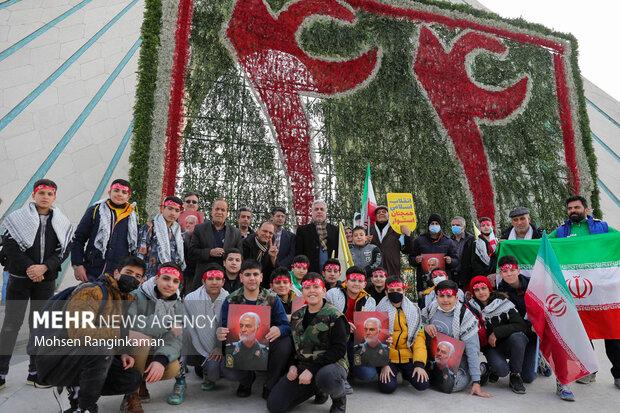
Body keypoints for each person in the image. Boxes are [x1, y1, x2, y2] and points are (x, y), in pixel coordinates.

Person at [35, 256, 147, 412]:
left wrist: (122, 352)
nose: (132, 278)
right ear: (116, 273)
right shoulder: (93, 291)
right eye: (128, 272)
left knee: (130, 378)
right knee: (101, 349)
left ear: (142, 281)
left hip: (81, 357)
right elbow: (79, 331)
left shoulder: (123, 300)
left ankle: (75, 390)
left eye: (138, 276)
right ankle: (85, 407)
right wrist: (125, 334)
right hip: (55, 359)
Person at [0, 179, 73, 388]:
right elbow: (10, 246)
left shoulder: (61, 221)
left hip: (45, 281)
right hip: (20, 280)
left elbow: (64, 250)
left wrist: (44, 268)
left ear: (55, 197)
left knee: (40, 327)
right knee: (11, 325)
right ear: (34, 195)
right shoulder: (17, 218)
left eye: (50, 194)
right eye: (41, 192)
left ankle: (35, 372)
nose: (45, 197)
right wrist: (31, 269)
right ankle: (1, 373)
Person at [549, 195, 619, 390]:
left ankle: (619, 374)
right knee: (582, 333)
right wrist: (510, 246)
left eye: (577, 207)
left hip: (604, 293)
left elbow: (617, 241)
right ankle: (589, 372)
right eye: (570, 208)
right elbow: (543, 245)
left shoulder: (602, 228)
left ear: (586, 209)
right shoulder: (562, 231)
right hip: (576, 292)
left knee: (613, 331)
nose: (573, 210)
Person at [266, 273, 349, 413]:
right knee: (275, 406)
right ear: (301, 292)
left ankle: (339, 398)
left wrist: (312, 370)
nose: (311, 291)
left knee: (326, 377)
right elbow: (294, 345)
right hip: (304, 365)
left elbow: (339, 350)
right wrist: (292, 365)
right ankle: (317, 388)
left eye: (316, 286)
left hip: (331, 365)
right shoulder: (297, 316)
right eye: (307, 287)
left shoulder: (335, 316)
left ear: (323, 291)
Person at [495, 256, 569, 398]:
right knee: (528, 377)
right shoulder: (500, 292)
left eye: (512, 269)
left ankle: (562, 381)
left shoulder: (533, 284)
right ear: (500, 273)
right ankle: (538, 358)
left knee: (557, 340)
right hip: (521, 333)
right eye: (504, 271)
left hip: (538, 330)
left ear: (519, 269)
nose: (509, 273)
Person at [217, 260, 293, 398]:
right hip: (242, 344)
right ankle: (246, 380)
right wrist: (220, 332)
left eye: (255, 274)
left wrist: (279, 330)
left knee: (285, 343)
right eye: (247, 274)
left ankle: (270, 384)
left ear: (261, 277)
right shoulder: (231, 300)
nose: (252, 278)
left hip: (266, 344)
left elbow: (286, 325)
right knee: (226, 369)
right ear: (241, 277)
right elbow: (224, 327)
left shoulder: (272, 299)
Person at [121, 263, 184, 412]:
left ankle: (140, 381)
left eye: (175, 281)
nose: (170, 284)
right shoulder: (136, 295)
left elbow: (175, 339)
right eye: (166, 278)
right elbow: (130, 324)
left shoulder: (177, 304)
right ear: (156, 279)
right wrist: (167, 322)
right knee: (143, 340)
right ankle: (130, 395)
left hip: (153, 351)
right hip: (127, 353)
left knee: (173, 368)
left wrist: (160, 360)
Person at [168, 264, 230, 404]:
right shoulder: (191, 298)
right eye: (210, 278)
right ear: (203, 281)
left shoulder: (229, 298)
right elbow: (184, 322)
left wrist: (219, 346)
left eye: (218, 278)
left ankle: (207, 372)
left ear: (223, 281)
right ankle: (180, 379)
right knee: (181, 332)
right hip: (194, 344)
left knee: (213, 373)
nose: (214, 282)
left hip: (218, 347)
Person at [422, 280, 490, 397]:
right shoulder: (432, 308)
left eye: (449, 296)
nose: (445, 300)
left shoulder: (465, 316)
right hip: (435, 355)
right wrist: (426, 326)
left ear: (456, 297)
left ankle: (482, 370)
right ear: (436, 297)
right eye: (442, 296)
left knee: (451, 386)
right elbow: (419, 323)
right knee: (422, 382)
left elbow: (472, 350)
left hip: (459, 359)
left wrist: (476, 382)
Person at [467, 275, 529, 394]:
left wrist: (496, 333)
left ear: (489, 289)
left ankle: (515, 375)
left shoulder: (502, 302)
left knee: (518, 337)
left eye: (483, 288)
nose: (481, 292)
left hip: (508, 343)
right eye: (477, 290)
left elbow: (521, 325)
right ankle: (490, 367)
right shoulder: (470, 307)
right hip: (490, 347)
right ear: (473, 292)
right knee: (502, 370)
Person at [72, 179, 138, 281]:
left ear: (128, 196)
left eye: (124, 192)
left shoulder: (133, 217)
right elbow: (78, 239)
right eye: (116, 190)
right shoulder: (95, 211)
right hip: (93, 271)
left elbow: (134, 248)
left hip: (119, 274)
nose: (119, 194)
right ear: (109, 192)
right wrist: (78, 264)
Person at [375, 276, 428, 394]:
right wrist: (384, 364)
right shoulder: (379, 310)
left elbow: (419, 339)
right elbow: (377, 339)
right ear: (386, 292)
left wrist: (419, 364)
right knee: (387, 387)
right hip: (388, 357)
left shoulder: (414, 310)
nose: (395, 293)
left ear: (404, 291)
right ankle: (385, 371)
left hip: (407, 356)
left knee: (422, 384)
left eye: (398, 290)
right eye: (391, 291)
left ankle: (406, 373)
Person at [326, 266, 376, 382]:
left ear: (364, 284)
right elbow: (324, 317)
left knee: (367, 374)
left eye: (360, 281)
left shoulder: (370, 301)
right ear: (346, 281)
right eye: (353, 280)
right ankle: (340, 372)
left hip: (357, 342)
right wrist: (343, 325)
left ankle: (351, 369)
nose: (356, 284)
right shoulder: (332, 294)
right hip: (335, 339)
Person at [404, 213, 459, 293]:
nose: (434, 225)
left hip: (443, 281)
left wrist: (451, 261)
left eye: (436, 224)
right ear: (428, 226)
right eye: (432, 223)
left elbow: (456, 260)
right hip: (424, 282)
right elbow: (411, 259)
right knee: (424, 303)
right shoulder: (419, 240)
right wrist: (416, 259)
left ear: (440, 226)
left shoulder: (448, 241)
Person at [136, 196, 186, 280]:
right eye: (170, 209)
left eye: (177, 210)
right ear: (162, 209)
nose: (173, 213)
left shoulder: (178, 232)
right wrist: (139, 276)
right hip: (149, 276)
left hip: (170, 277)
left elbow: (178, 257)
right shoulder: (150, 227)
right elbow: (140, 254)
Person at [190, 198, 243, 275]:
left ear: (227, 213)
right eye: (217, 209)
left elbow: (240, 255)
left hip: (226, 276)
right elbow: (192, 252)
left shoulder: (236, 232)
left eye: (223, 210)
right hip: (203, 275)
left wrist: (227, 255)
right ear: (212, 211)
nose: (219, 212)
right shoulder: (199, 229)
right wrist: (209, 252)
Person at [295, 200, 338, 273]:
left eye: (322, 209)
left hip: (331, 273)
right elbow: (299, 254)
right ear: (312, 212)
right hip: (310, 272)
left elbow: (337, 252)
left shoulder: (335, 230)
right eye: (316, 209)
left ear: (325, 213)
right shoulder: (302, 230)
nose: (319, 211)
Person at [460, 217, 498, 288]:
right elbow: (471, 262)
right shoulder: (474, 244)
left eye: (488, 225)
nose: (486, 227)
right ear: (479, 228)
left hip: (496, 278)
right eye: (483, 225)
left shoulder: (497, 242)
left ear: (492, 226)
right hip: (481, 278)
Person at [369, 206, 406, 277]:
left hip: (392, 270)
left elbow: (407, 249)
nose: (381, 213)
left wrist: (407, 235)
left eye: (384, 212)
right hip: (374, 273)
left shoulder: (397, 230)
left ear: (389, 215)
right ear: (376, 217)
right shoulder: (369, 231)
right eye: (378, 213)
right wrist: (366, 241)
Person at [242, 221, 279, 288]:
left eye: (270, 233)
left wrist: (273, 257)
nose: (267, 235)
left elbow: (275, 271)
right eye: (264, 231)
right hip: (247, 283)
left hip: (265, 285)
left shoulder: (272, 246)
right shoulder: (245, 243)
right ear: (258, 231)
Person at [449, 216, 474, 288]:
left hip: (467, 275)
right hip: (453, 275)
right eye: (453, 225)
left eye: (458, 225)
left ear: (464, 227)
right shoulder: (449, 240)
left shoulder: (471, 240)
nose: (455, 227)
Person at [181, 214, 199, 296]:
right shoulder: (181, 237)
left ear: (197, 225)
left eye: (191, 223)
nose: (188, 225)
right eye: (186, 223)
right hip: (183, 272)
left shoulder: (201, 237)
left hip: (195, 273)